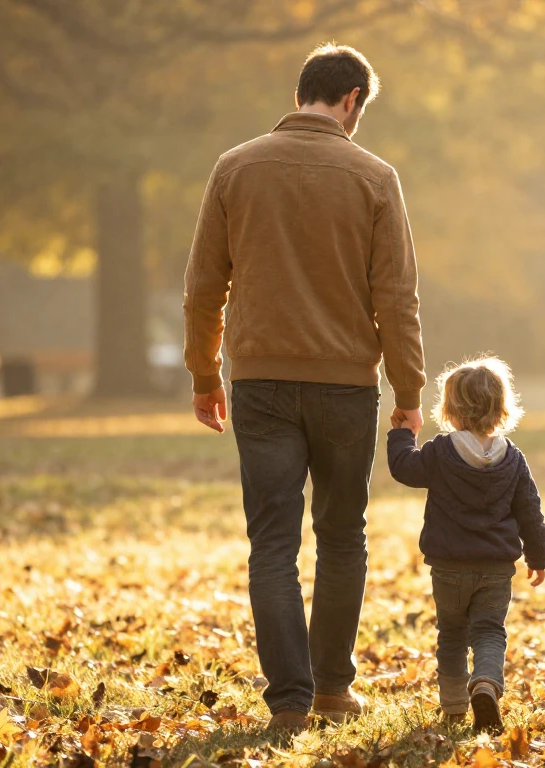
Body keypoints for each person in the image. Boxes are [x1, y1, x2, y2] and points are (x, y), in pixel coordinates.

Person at [182, 43, 426, 736]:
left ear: (303, 94)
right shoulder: (375, 176)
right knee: (343, 535)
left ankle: (288, 700)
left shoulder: (235, 167)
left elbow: (203, 290)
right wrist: (409, 387)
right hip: (347, 385)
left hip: (259, 382)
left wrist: (205, 377)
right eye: (361, 110)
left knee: (272, 543)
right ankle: (332, 690)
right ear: (351, 100)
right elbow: (397, 298)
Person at [385, 356, 545, 733]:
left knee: (452, 633)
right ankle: (486, 684)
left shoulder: (441, 452)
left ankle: (455, 705)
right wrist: (538, 556)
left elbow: (404, 469)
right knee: (490, 631)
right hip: (495, 569)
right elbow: (530, 511)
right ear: (501, 408)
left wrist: (402, 434)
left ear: (450, 410)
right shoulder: (513, 458)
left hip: (448, 567)